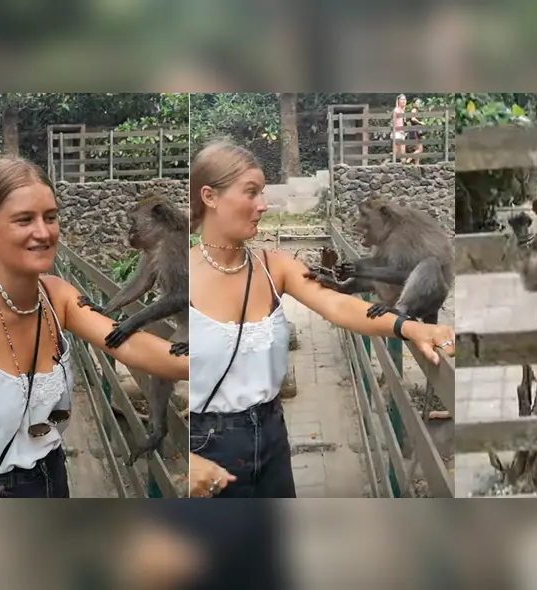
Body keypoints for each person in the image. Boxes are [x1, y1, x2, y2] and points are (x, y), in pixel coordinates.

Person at [187, 141, 455, 498]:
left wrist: (406, 325)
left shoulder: (274, 265)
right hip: (208, 444)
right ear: (209, 197)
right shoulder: (183, 273)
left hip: (272, 432)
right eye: (251, 193)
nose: (264, 205)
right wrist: (185, 460)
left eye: (263, 193)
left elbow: (337, 306)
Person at [0, 156, 188, 499]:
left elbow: (136, 349)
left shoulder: (58, 296)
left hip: (54, 478)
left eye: (50, 217)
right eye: (24, 219)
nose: (43, 232)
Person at [392, 94, 407, 162]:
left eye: (404, 99)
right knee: (396, 152)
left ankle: (403, 166)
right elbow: (394, 122)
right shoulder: (396, 110)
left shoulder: (402, 110)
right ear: (398, 101)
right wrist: (393, 132)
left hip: (402, 132)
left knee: (402, 151)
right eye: (402, 99)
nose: (403, 101)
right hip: (397, 132)